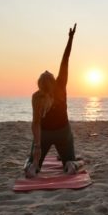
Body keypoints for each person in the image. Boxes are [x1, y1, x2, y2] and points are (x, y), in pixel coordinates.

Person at [25, 24, 79, 178]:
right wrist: (70, 38)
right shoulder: (60, 85)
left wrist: (37, 145)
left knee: (31, 164)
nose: (47, 70)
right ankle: (70, 164)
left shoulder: (37, 97)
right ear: (52, 81)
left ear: (40, 84)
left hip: (44, 135)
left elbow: (36, 123)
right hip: (63, 133)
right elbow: (65, 59)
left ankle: (33, 166)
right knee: (73, 161)